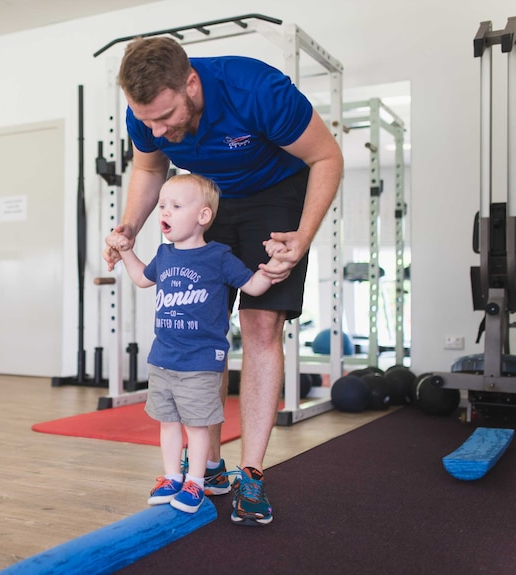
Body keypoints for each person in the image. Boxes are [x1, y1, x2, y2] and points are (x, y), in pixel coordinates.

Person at [104, 37, 343, 525]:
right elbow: (150, 166)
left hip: (276, 195)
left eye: (166, 116)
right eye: (147, 120)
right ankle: (208, 467)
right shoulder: (146, 113)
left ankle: (251, 473)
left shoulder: (254, 89)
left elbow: (327, 158)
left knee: (259, 327)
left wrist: (302, 235)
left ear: (191, 84)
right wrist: (129, 225)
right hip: (209, 199)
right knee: (197, 324)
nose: (157, 128)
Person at [109, 172, 285, 514]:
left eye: (175, 206)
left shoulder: (219, 257)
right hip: (163, 358)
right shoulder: (165, 254)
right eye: (163, 206)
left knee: (197, 424)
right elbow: (143, 279)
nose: (165, 213)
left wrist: (276, 263)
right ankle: (173, 476)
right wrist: (127, 252)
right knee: (168, 421)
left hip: (201, 361)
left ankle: (196, 480)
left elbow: (253, 287)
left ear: (203, 217)